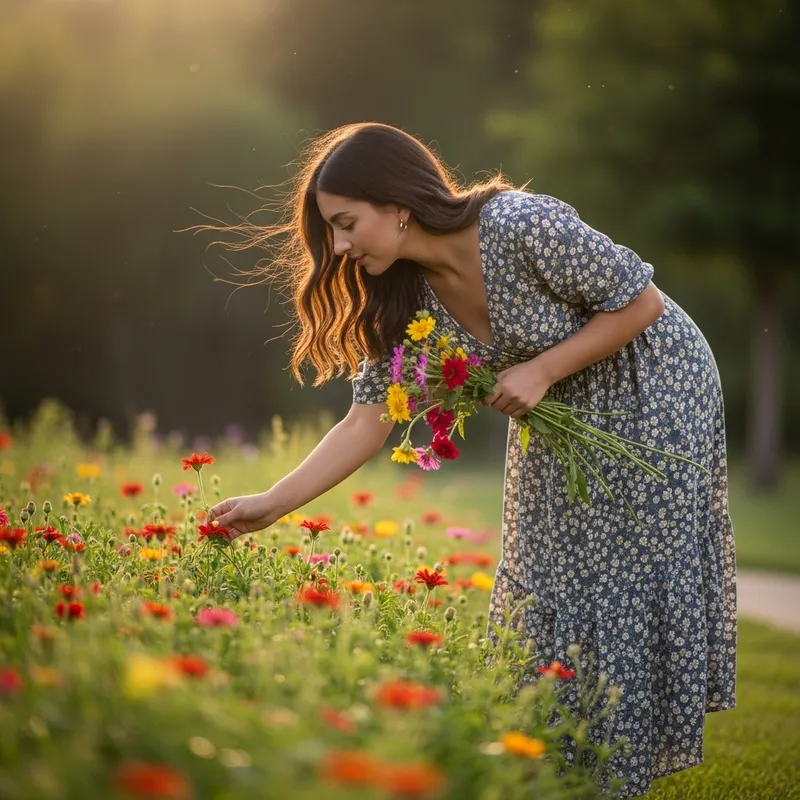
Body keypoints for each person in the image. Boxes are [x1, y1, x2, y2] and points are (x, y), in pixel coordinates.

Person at [205, 122, 736, 798]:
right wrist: (268, 506)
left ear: (397, 205)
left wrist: (541, 369)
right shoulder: (401, 298)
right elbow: (367, 420)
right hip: (559, 402)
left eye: (346, 224)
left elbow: (640, 301)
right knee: (547, 564)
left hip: (652, 379)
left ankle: (613, 776)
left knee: (622, 568)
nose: (337, 248)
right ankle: (556, 759)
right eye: (329, 231)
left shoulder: (519, 223)